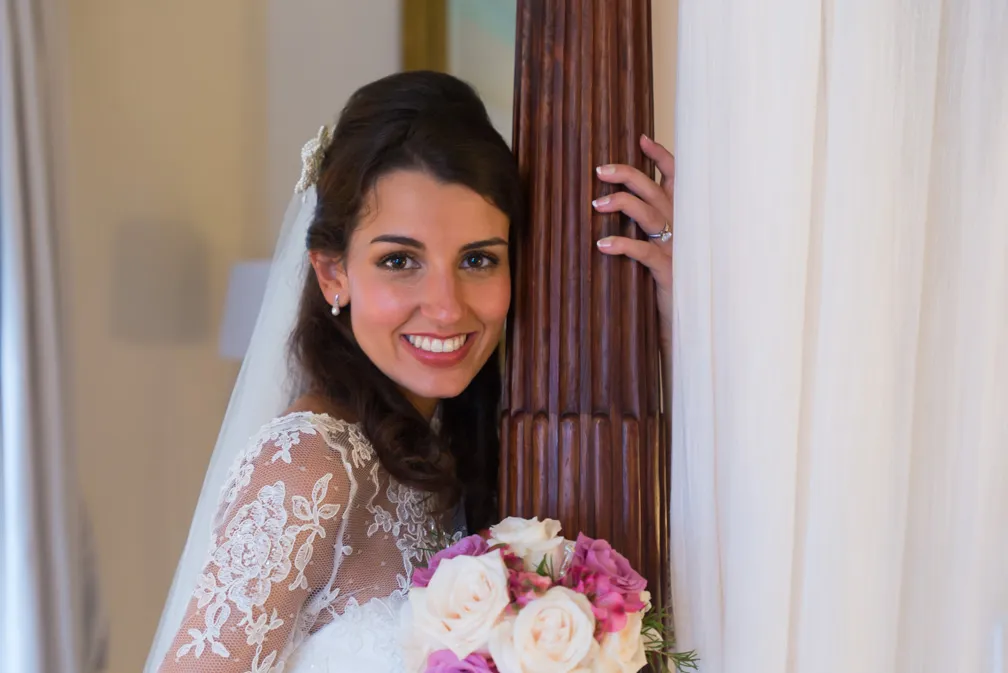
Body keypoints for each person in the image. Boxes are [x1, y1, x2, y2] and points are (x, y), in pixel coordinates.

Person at [147, 70, 675, 673]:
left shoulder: (464, 441)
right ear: (332, 276)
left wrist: (668, 325)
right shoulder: (309, 471)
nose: (447, 307)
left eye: (478, 259)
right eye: (400, 260)